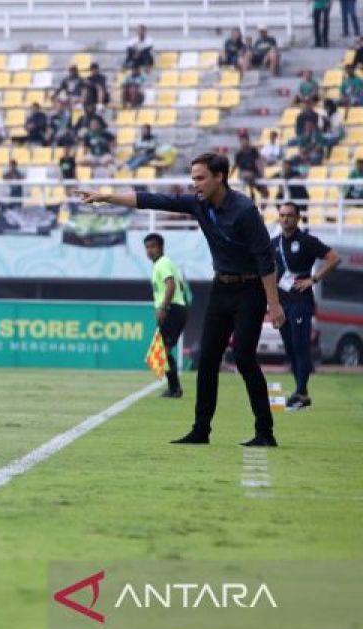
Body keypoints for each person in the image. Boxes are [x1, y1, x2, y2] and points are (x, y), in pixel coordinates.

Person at [76, 152, 285, 447]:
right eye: (193, 178)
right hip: (221, 288)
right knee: (207, 358)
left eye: (200, 178)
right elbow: (152, 199)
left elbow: (266, 259)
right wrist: (105, 197)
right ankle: (201, 430)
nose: (195, 184)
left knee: (243, 358)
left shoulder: (245, 210)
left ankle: (265, 432)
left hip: (250, 291)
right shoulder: (197, 204)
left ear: (219, 177)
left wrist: (273, 304)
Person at [273, 202, 341, 411]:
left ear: (298, 217)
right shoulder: (274, 243)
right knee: (290, 346)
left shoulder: (307, 241)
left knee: (301, 344)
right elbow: (271, 271)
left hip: (301, 301)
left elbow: (334, 258)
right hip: (282, 302)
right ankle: (301, 391)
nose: (285, 219)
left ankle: (301, 392)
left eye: (290, 215)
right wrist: (272, 302)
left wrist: (313, 279)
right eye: (282, 215)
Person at [144, 233, 189, 398]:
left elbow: (170, 285)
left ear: (161, 247)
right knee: (163, 350)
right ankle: (174, 387)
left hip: (172, 309)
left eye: (153, 246)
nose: (150, 250)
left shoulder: (162, 263)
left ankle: (175, 388)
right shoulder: (162, 264)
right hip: (175, 309)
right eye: (147, 247)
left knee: (163, 350)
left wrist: (163, 307)